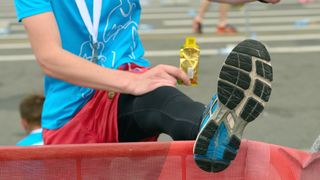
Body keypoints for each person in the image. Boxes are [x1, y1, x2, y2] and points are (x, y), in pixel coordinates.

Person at [14, 0, 279, 172]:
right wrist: (131, 81)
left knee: (160, 99)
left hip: (126, 91)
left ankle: (211, 127)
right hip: (71, 117)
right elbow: (49, 57)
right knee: (151, 92)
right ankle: (209, 129)